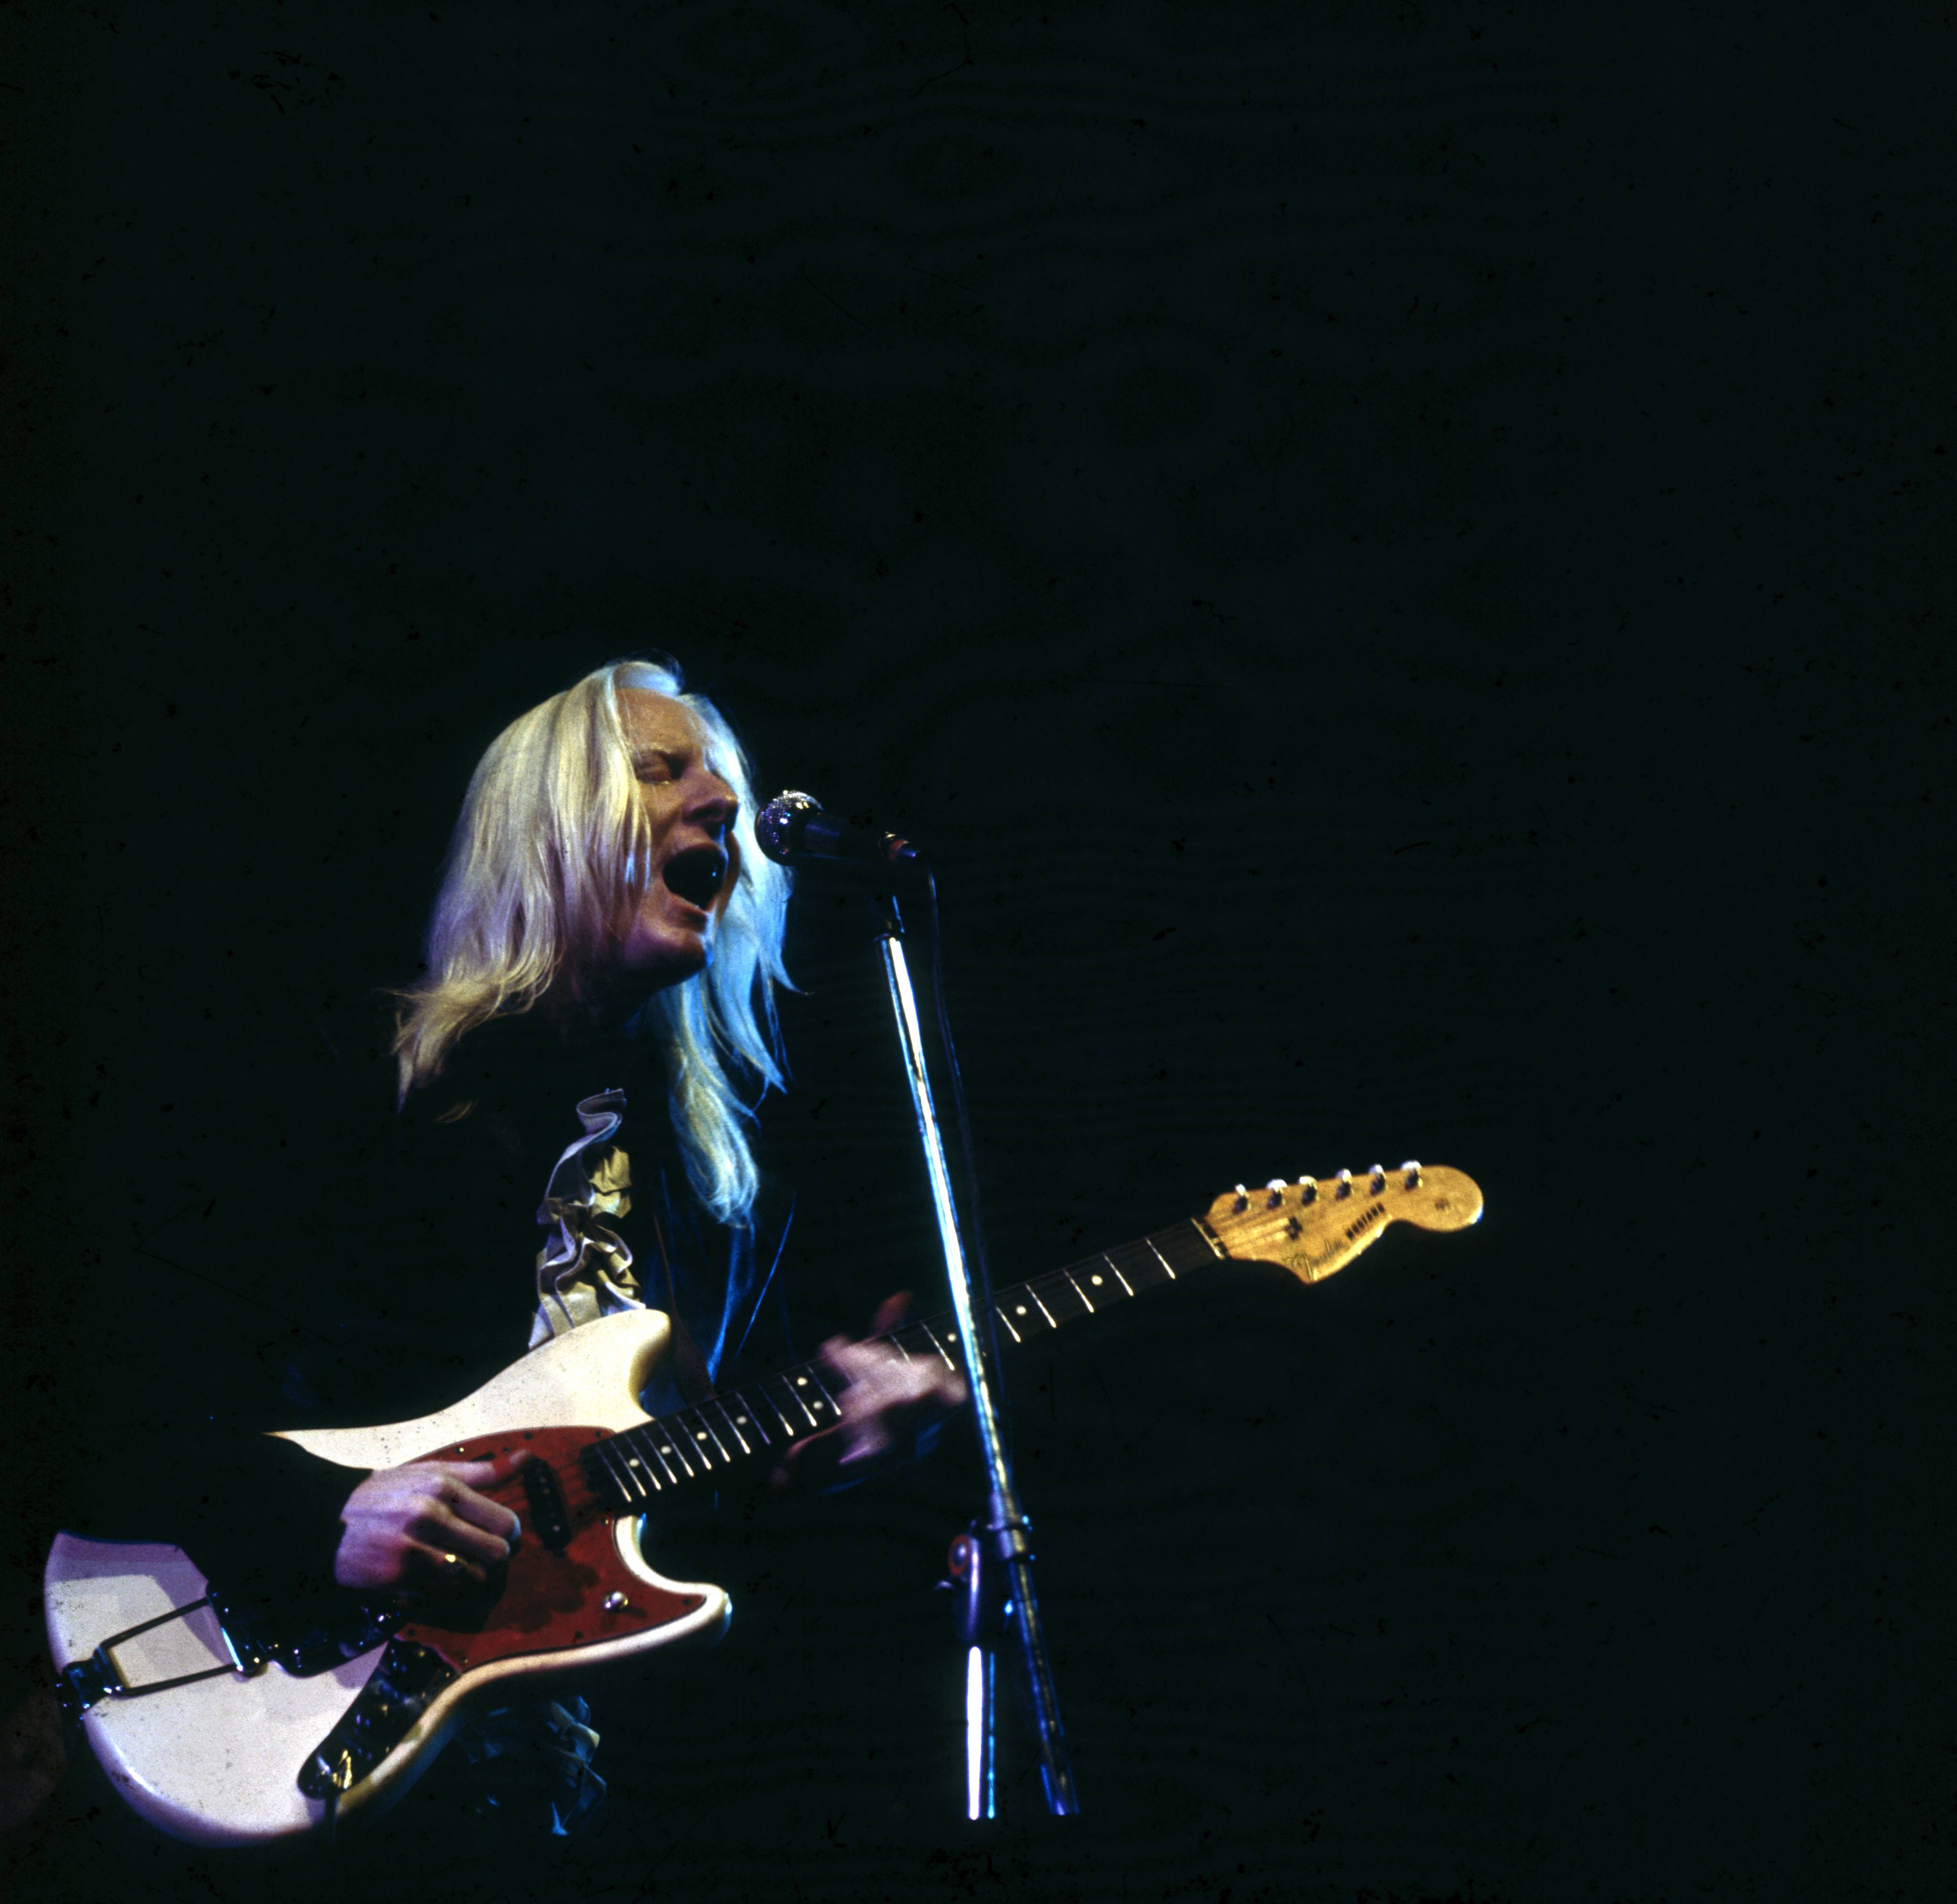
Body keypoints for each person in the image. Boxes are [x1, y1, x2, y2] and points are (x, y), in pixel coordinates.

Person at [52, 653, 965, 1834]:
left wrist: (851, 1433)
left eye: (723, 788)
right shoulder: (337, 1085)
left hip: (584, 1774)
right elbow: (88, 1402)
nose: (721, 807)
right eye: (657, 770)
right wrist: (323, 1518)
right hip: (291, 1700)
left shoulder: (719, 1186)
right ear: (545, 822)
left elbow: (691, 1514)